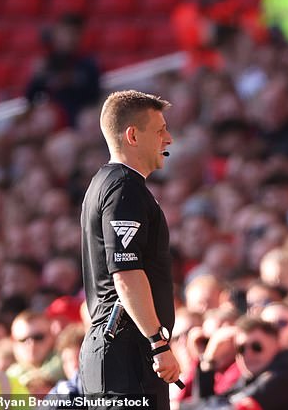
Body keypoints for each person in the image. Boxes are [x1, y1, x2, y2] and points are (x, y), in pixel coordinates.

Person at [79, 90, 180, 409]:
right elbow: (126, 273)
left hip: (119, 354)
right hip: (127, 355)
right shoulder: (124, 189)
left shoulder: (107, 183)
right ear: (133, 135)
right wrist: (158, 343)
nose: (169, 139)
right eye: (161, 129)